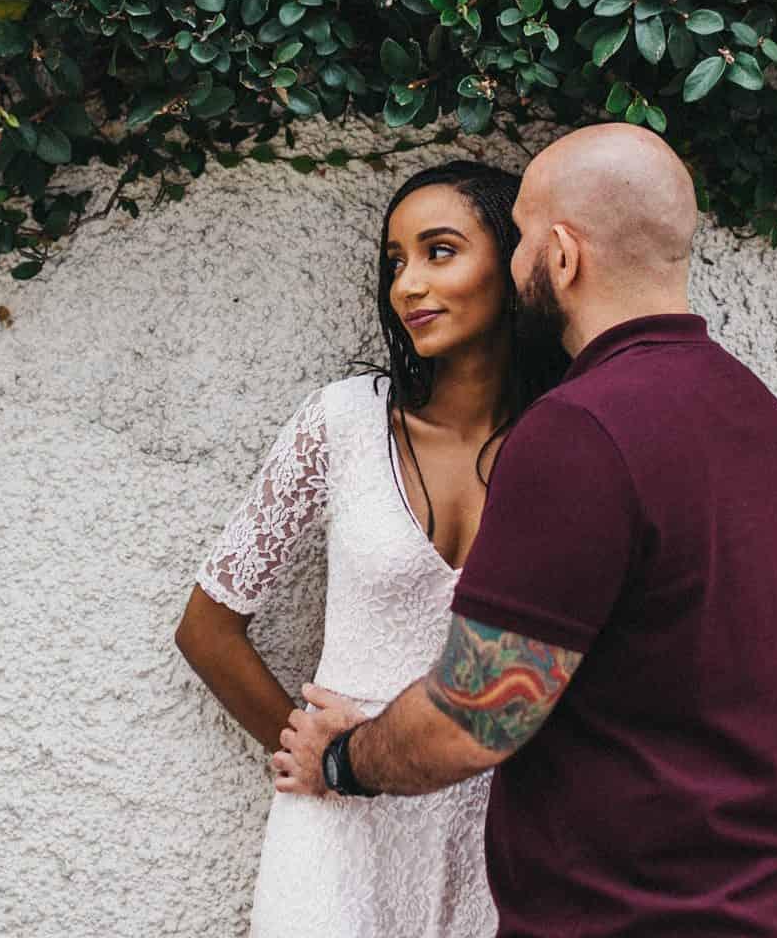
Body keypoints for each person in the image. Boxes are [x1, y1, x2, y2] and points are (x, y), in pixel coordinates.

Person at [275, 124, 777, 937]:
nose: (513, 268)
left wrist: (344, 758)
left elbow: (479, 712)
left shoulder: (579, 430)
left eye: (520, 244)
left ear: (564, 256)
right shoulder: (770, 427)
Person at [175, 160, 568, 937]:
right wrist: (315, 753)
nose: (408, 285)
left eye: (440, 251)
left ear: (514, 259)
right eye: (395, 262)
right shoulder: (344, 423)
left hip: (497, 827)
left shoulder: (567, 441)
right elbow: (206, 628)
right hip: (335, 826)